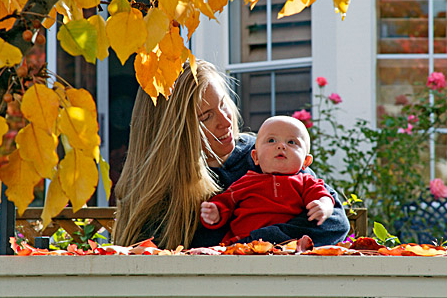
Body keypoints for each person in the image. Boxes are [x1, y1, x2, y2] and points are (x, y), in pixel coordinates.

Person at [113, 60, 350, 249]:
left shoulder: (265, 153)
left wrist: (258, 243)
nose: (226, 122)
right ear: (173, 134)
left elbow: (333, 223)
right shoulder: (163, 194)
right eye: (206, 117)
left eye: (224, 105)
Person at [200, 116, 335, 245]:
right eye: (271, 140)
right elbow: (225, 202)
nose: (281, 146)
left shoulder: (305, 182)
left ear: (306, 161)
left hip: (289, 249)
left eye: (292, 142)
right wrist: (215, 212)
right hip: (242, 247)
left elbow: (323, 196)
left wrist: (324, 206)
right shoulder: (245, 181)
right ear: (255, 157)